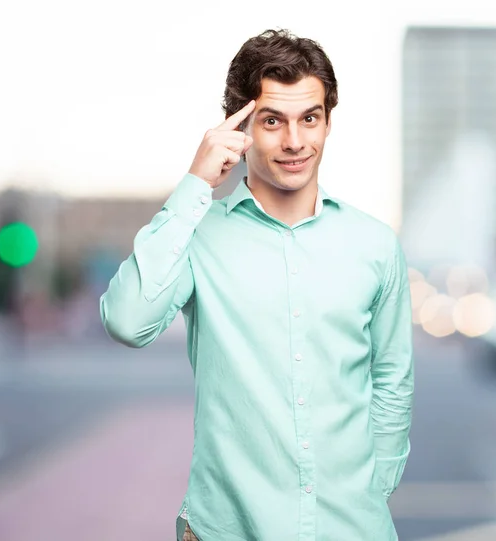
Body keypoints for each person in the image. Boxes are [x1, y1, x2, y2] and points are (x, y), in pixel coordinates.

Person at [100, 28, 414, 541]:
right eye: (272, 121)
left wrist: (369, 492)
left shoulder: (375, 245)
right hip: (227, 528)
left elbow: (392, 380)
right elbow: (127, 321)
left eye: (309, 118)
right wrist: (195, 185)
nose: (295, 141)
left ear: (329, 121)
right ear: (239, 127)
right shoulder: (195, 235)